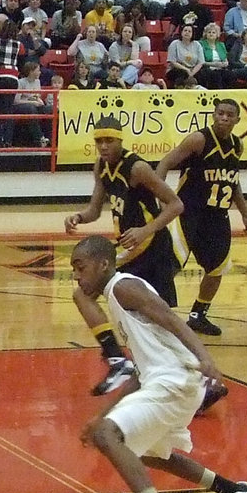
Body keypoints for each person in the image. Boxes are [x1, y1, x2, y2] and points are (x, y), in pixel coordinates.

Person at [69, 234, 247, 493]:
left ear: (103, 263)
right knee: (145, 452)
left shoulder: (123, 287)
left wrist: (205, 357)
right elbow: (140, 373)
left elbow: (173, 319)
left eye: (80, 266)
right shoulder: (117, 299)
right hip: (171, 382)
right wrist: (101, 413)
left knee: (110, 435)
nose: (77, 276)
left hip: (175, 381)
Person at [65, 115, 184, 397]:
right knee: (83, 293)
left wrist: (145, 230)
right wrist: (79, 217)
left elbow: (175, 204)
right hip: (128, 249)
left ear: (121, 140)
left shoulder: (138, 168)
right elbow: (95, 210)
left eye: (109, 141)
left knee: (159, 321)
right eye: (99, 141)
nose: (103, 146)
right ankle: (118, 360)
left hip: (152, 246)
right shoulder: (101, 167)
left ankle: (196, 381)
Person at [156, 99, 247, 338]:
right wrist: (161, 200)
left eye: (229, 115)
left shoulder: (237, 145)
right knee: (170, 265)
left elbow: (233, 181)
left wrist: (245, 215)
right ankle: (154, 315)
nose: (224, 118)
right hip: (188, 213)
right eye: (220, 113)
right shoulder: (199, 139)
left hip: (217, 217)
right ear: (213, 115)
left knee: (217, 269)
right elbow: (164, 164)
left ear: (236, 120)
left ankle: (198, 315)